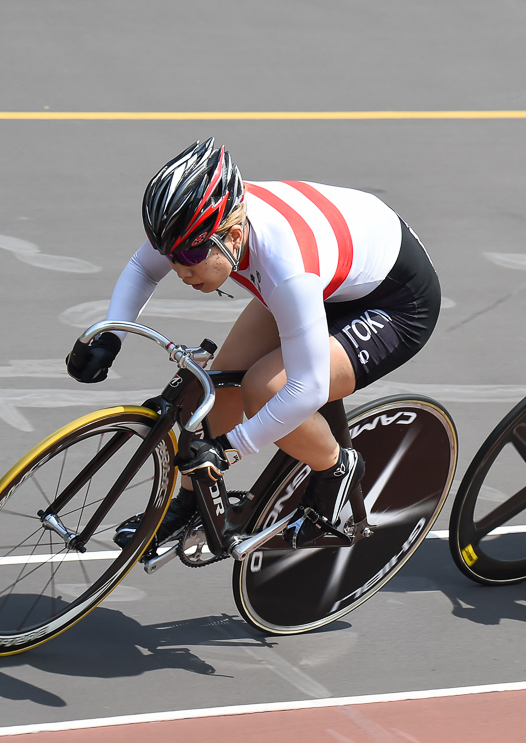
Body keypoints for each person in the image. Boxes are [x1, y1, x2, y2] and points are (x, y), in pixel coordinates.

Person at [66, 139, 441, 545]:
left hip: (395, 303)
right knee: (210, 392)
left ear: (233, 234)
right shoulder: (195, 226)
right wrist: (111, 334)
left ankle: (336, 468)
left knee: (265, 390)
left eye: (190, 257)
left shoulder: (283, 265)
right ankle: (192, 505)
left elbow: (308, 387)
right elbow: (143, 266)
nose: (178, 269)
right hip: (329, 276)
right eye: (169, 254)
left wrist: (229, 449)